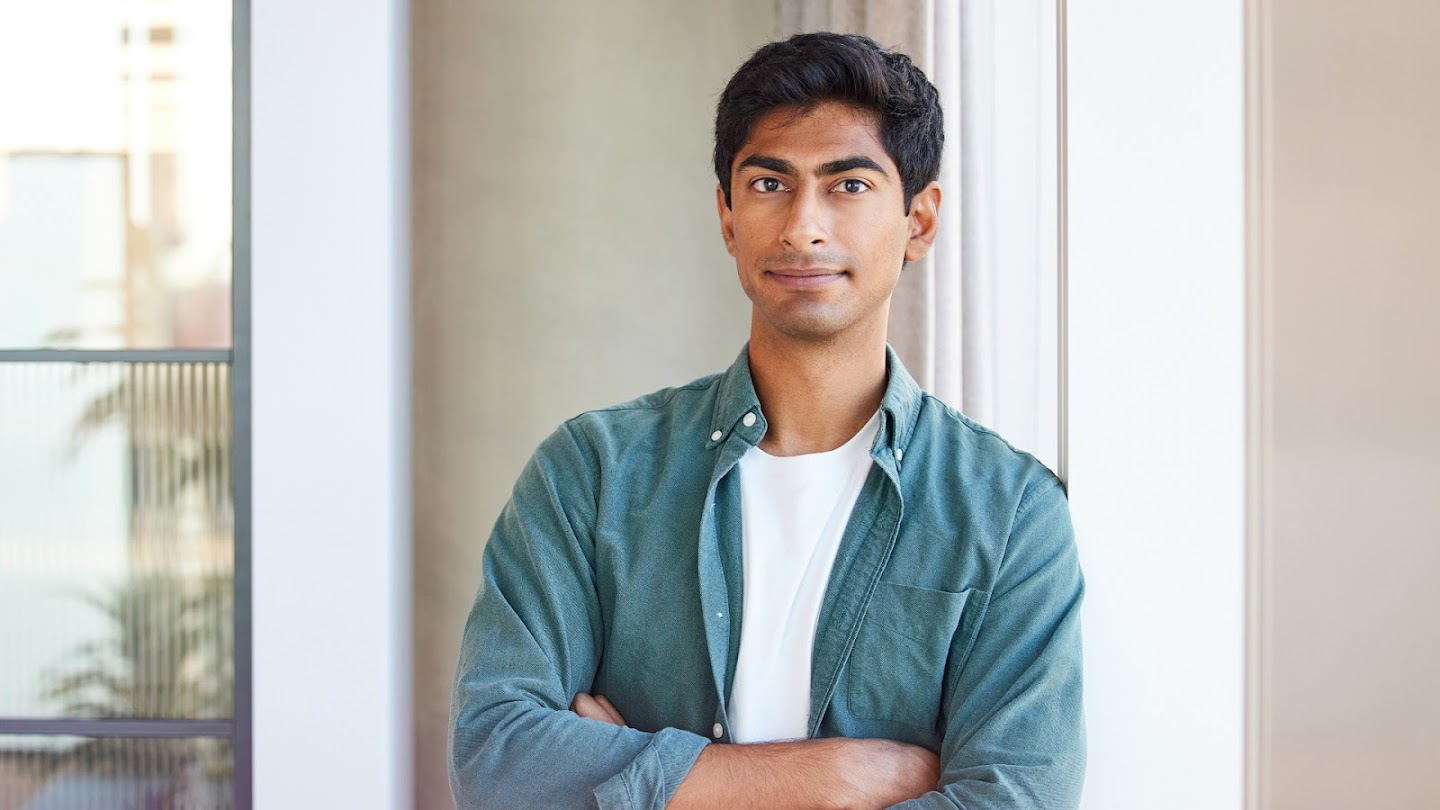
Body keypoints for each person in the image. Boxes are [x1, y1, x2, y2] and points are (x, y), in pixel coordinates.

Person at [449, 32, 1084, 810]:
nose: (802, 227)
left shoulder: (1010, 512)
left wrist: (649, 785)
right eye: (768, 183)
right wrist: (830, 781)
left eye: (849, 186)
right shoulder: (593, 473)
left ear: (919, 221)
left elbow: (1019, 797)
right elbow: (495, 757)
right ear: (726, 215)